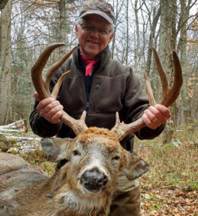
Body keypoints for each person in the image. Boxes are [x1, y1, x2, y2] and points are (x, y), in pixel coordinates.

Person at [29, 0, 170, 215]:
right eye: (88, 27)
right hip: (73, 171)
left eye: (102, 30)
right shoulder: (56, 74)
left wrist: (153, 122)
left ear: (111, 36)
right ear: (77, 29)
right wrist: (46, 119)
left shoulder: (125, 75)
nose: (95, 34)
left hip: (117, 170)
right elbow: (39, 126)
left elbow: (142, 118)